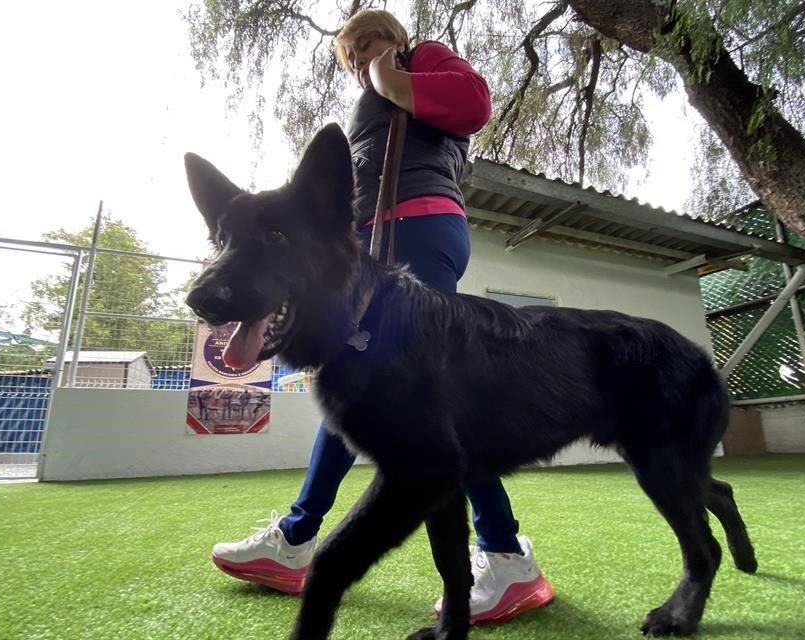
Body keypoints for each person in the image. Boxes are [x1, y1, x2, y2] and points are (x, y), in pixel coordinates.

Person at [211, 8, 554, 624]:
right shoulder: (380, 92)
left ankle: (502, 554)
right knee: (359, 382)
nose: (357, 59)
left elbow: (475, 104)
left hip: (416, 227)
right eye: (349, 55)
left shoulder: (421, 60)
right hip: (374, 241)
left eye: (366, 43)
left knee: (412, 394)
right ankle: (302, 537)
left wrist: (391, 78)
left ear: (395, 40)